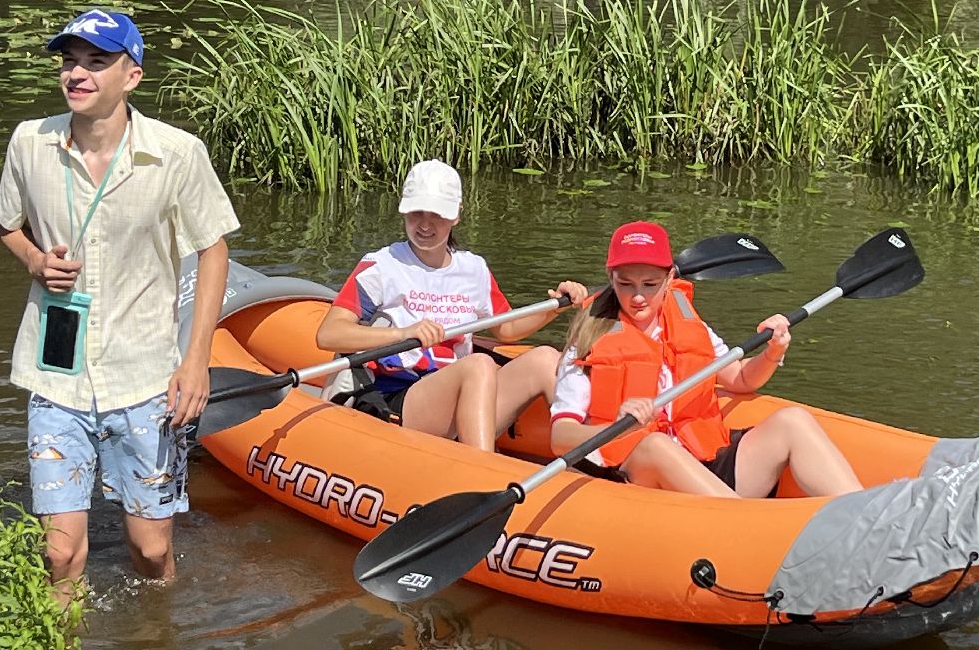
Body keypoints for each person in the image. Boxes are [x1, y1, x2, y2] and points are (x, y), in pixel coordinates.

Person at [0, 8, 238, 603]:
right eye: (69, 60)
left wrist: (196, 358)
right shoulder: (31, 142)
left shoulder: (176, 154)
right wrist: (32, 260)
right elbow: (6, 224)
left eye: (96, 62)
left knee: (150, 552)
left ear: (131, 75)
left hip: (145, 374)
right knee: (59, 552)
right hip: (57, 372)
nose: (77, 73)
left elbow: (213, 248)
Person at [551, 221, 864, 499]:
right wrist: (619, 427)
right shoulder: (589, 339)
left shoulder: (688, 324)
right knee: (656, 445)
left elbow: (740, 379)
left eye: (650, 284)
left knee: (792, 421)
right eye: (625, 284)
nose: (638, 297)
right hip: (639, 476)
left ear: (670, 277)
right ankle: (746, 531)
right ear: (611, 277)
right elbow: (561, 438)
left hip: (706, 463)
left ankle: (867, 517)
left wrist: (772, 352)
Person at [315, 159, 586, 452]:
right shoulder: (381, 266)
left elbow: (506, 329)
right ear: (404, 210)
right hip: (403, 397)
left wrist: (552, 307)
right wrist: (403, 333)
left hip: (468, 396)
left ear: (456, 215)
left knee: (545, 357)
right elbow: (329, 334)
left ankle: (593, 459)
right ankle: (481, 469)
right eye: (416, 212)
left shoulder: (474, 269)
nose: (425, 224)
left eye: (437, 214)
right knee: (479, 365)